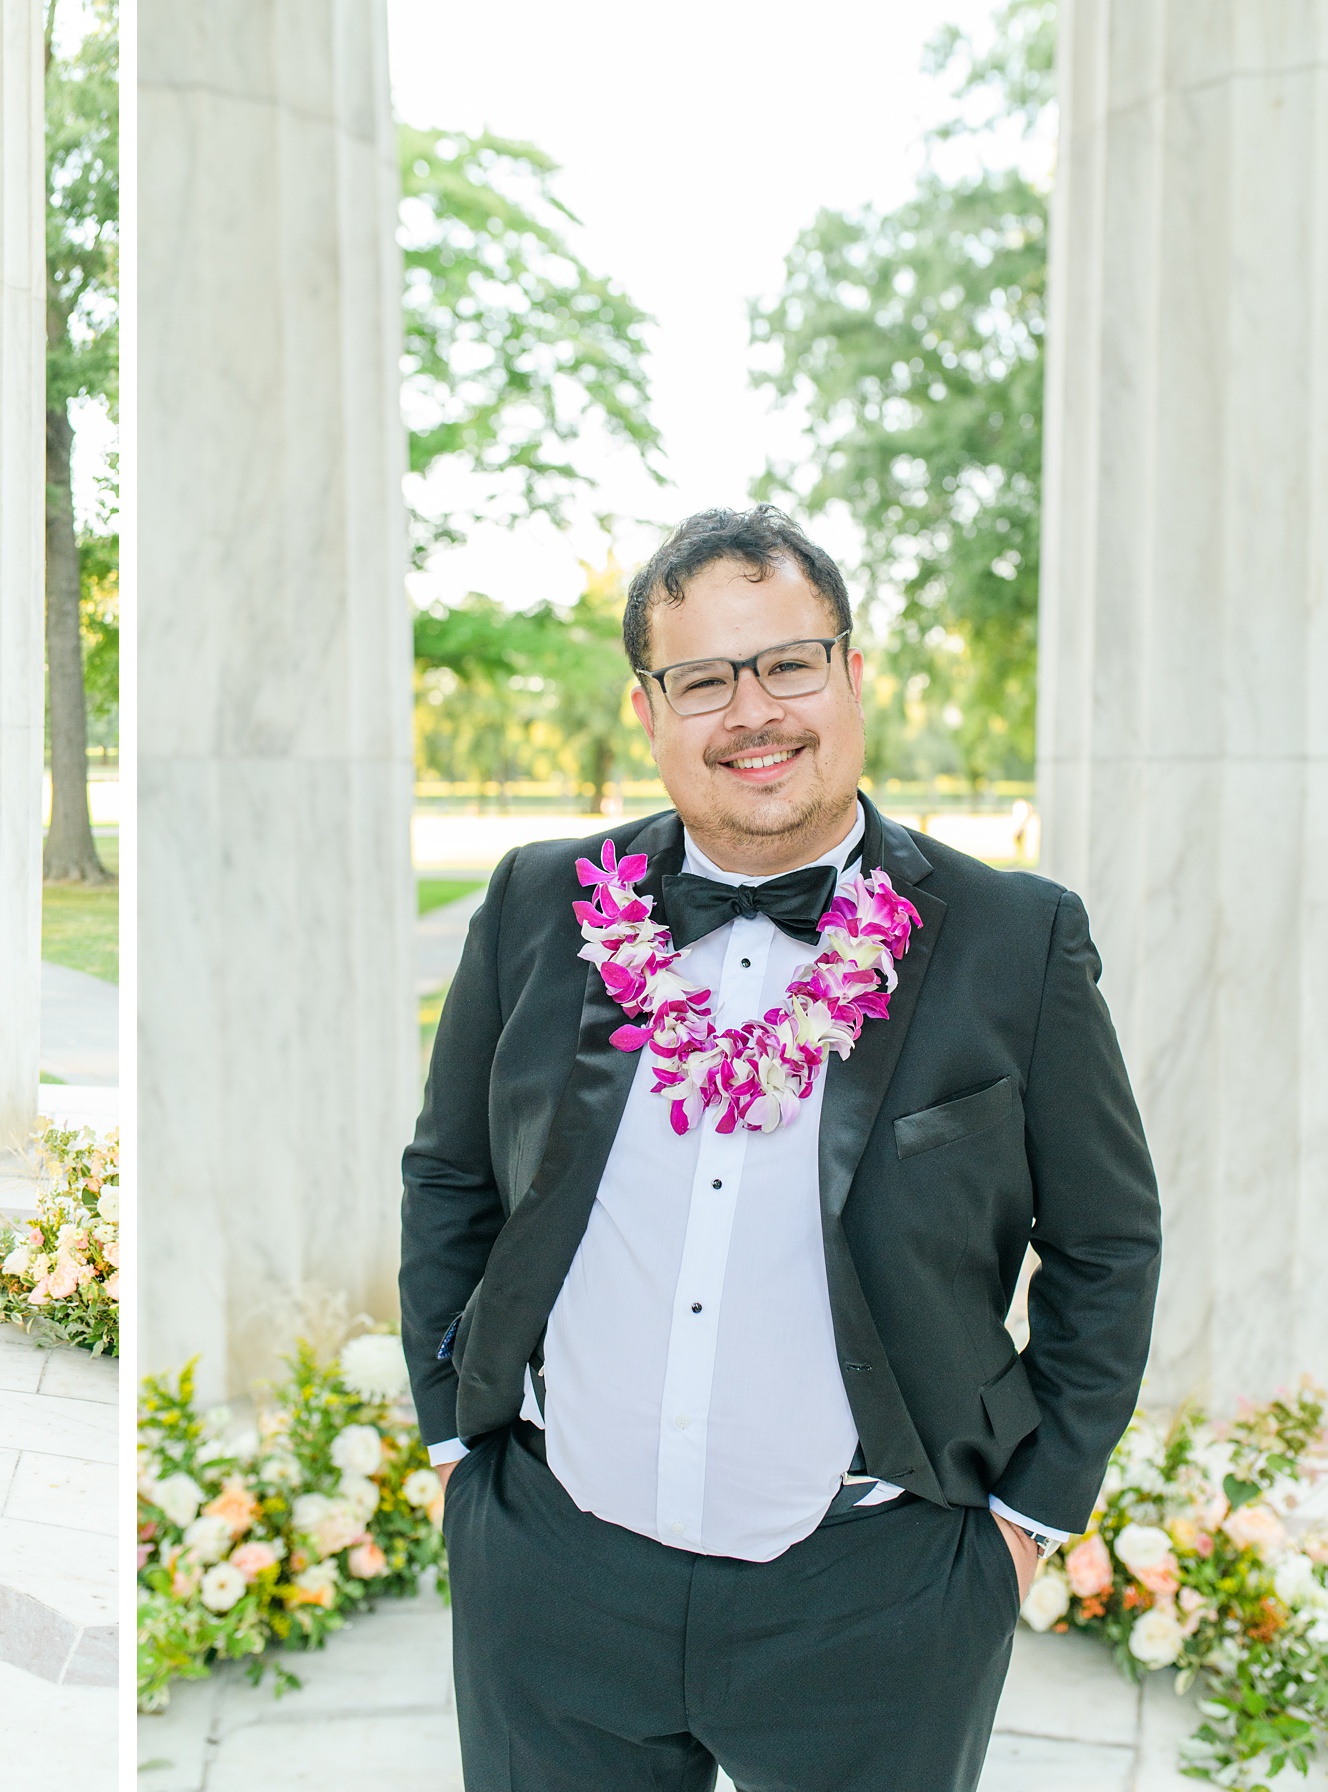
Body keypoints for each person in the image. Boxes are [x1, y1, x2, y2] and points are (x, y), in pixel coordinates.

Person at [400, 507, 1160, 1791]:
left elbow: (1105, 1241)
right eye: (701, 678)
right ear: (650, 712)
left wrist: (1022, 1527)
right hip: (555, 1573)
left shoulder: (1011, 939)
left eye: (787, 663)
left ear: (852, 675)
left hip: (878, 1598)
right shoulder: (536, 902)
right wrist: (455, 1454)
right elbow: (451, 1178)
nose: (751, 711)